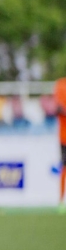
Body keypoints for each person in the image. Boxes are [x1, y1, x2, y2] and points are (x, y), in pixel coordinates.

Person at [56, 77, 66, 205]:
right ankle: (61, 200)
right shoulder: (60, 85)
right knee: (64, 167)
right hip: (64, 138)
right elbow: (58, 108)